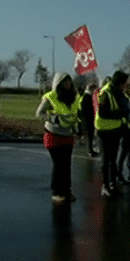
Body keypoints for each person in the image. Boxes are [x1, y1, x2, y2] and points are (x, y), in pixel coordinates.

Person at [36, 73, 80, 203]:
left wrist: (79, 126)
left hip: (68, 134)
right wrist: (53, 118)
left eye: (69, 82)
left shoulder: (73, 97)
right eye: (65, 82)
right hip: (54, 135)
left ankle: (66, 191)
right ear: (59, 83)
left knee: (66, 165)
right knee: (59, 165)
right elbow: (39, 113)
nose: (68, 84)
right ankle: (57, 192)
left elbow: (75, 113)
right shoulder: (51, 97)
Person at [96, 70, 130, 198]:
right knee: (106, 159)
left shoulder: (119, 92)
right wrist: (120, 115)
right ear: (120, 82)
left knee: (112, 160)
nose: (126, 85)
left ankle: (113, 184)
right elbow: (103, 113)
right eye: (125, 83)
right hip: (105, 131)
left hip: (116, 130)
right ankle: (105, 185)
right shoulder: (106, 92)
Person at [79, 82, 98, 157]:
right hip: (88, 120)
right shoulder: (87, 97)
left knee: (90, 136)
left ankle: (91, 149)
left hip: (87, 120)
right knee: (90, 136)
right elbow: (86, 110)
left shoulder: (86, 97)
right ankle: (90, 150)